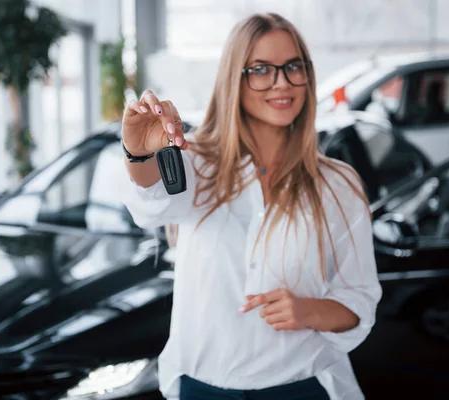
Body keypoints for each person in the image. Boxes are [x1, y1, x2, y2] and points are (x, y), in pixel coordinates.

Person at [116, 12, 382, 400]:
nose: (282, 82)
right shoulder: (197, 164)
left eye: (293, 67)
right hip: (202, 388)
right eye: (260, 69)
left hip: (302, 386)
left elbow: (359, 300)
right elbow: (149, 204)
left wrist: (308, 310)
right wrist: (138, 152)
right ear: (233, 79)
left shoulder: (338, 184)